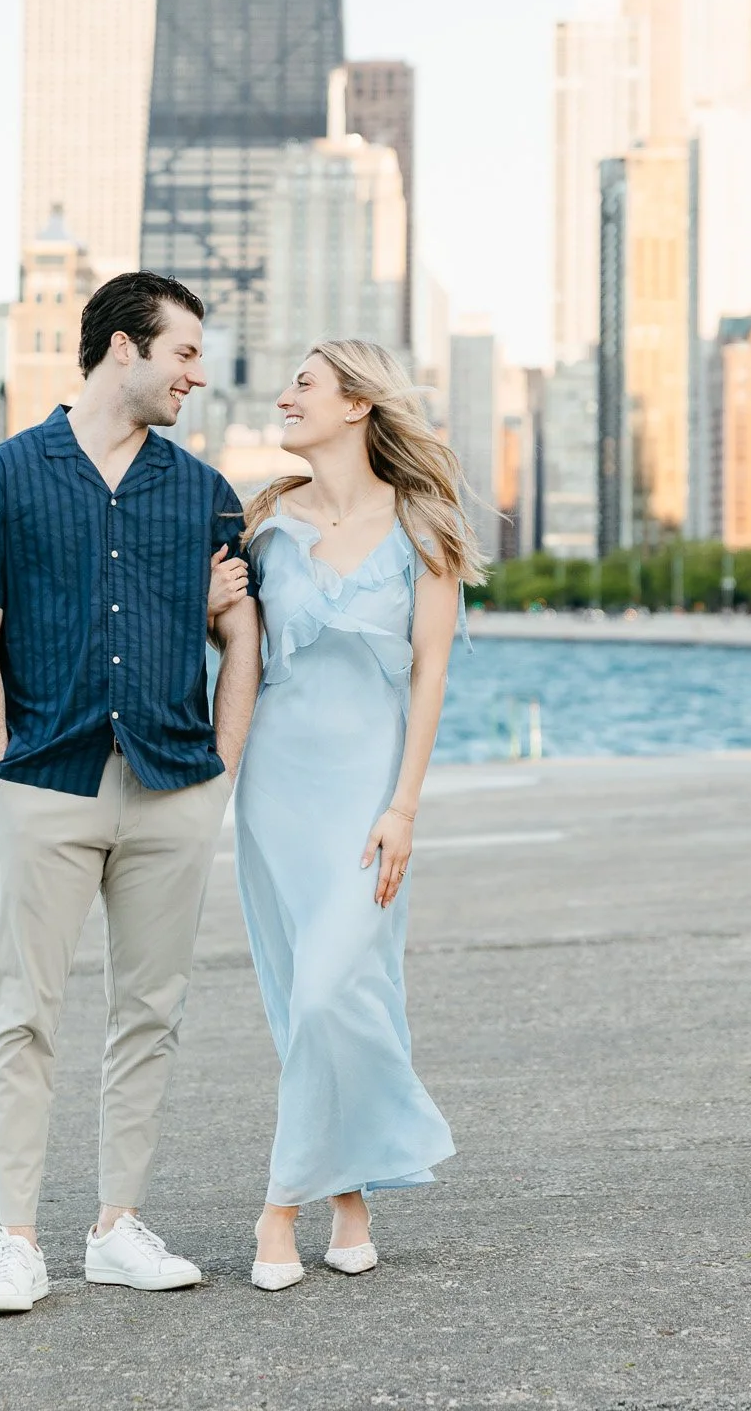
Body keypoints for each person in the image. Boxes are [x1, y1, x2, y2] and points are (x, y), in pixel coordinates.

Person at [0, 270, 261, 1317]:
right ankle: (16, 1241)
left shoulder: (204, 488)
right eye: (185, 354)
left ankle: (117, 1225)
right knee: (21, 1014)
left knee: (148, 1013)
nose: (197, 377)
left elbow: (241, 632)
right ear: (125, 348)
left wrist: (224, 770)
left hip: (174, 785)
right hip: (49, 784)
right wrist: (1, 777)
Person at [207, 338, 483, 1290]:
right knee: (304, 999)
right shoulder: (264, 519)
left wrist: (403, 806)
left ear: (357, 405)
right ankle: (349, 1199)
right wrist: (213, 609)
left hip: (369, 795)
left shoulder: (425, 524)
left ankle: (277, 1207)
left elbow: (432, 672)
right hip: (277, 791)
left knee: (340, 990)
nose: (283, 396)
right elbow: (233, 647)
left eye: (304, 384)